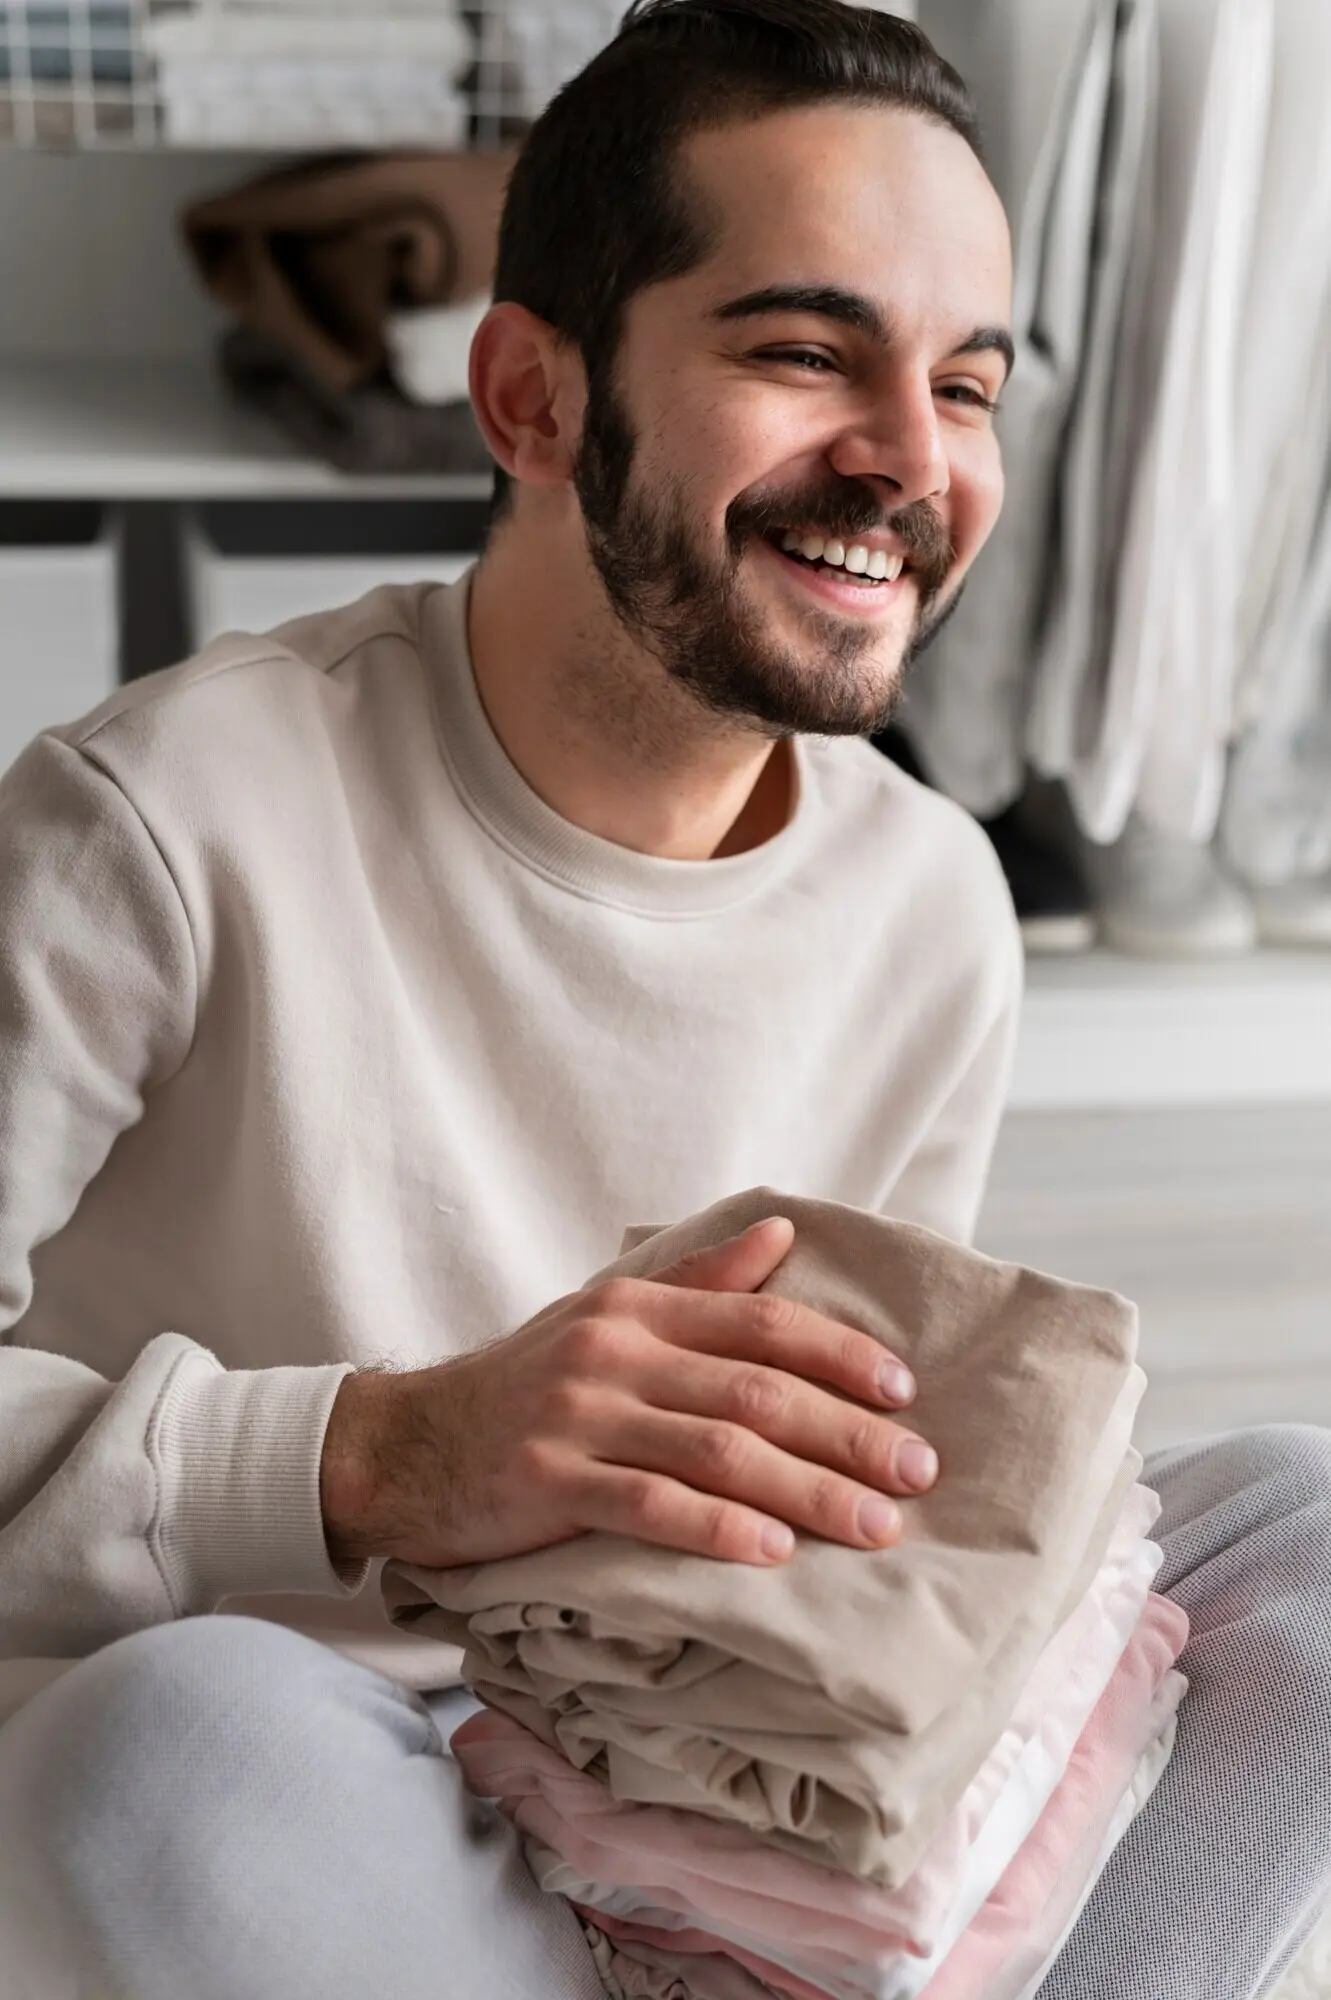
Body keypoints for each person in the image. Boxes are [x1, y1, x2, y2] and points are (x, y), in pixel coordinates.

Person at [0, 4, 1327, 1996]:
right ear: (530, 399)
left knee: (1306, 1529)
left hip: (693, 1771)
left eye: (964, 385)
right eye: (803, 353)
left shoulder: (928, 905)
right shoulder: (160, 823)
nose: (910, 460)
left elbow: (835, 1511)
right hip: (301, 1786)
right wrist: (377, 1454)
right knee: (165, 1735)